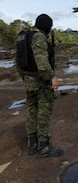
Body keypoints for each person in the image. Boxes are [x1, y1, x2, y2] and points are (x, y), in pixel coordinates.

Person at [16, 13, 63, 158]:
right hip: (41, 81)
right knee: (44, 112)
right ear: (47, 26)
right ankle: (43, 147)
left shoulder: (23, 36)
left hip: (29, 80)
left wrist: (25, 78)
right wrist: (52, 77)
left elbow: (18, 61)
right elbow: (41, 61)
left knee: (32, 111)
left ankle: (32, 144)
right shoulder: (39, 37)